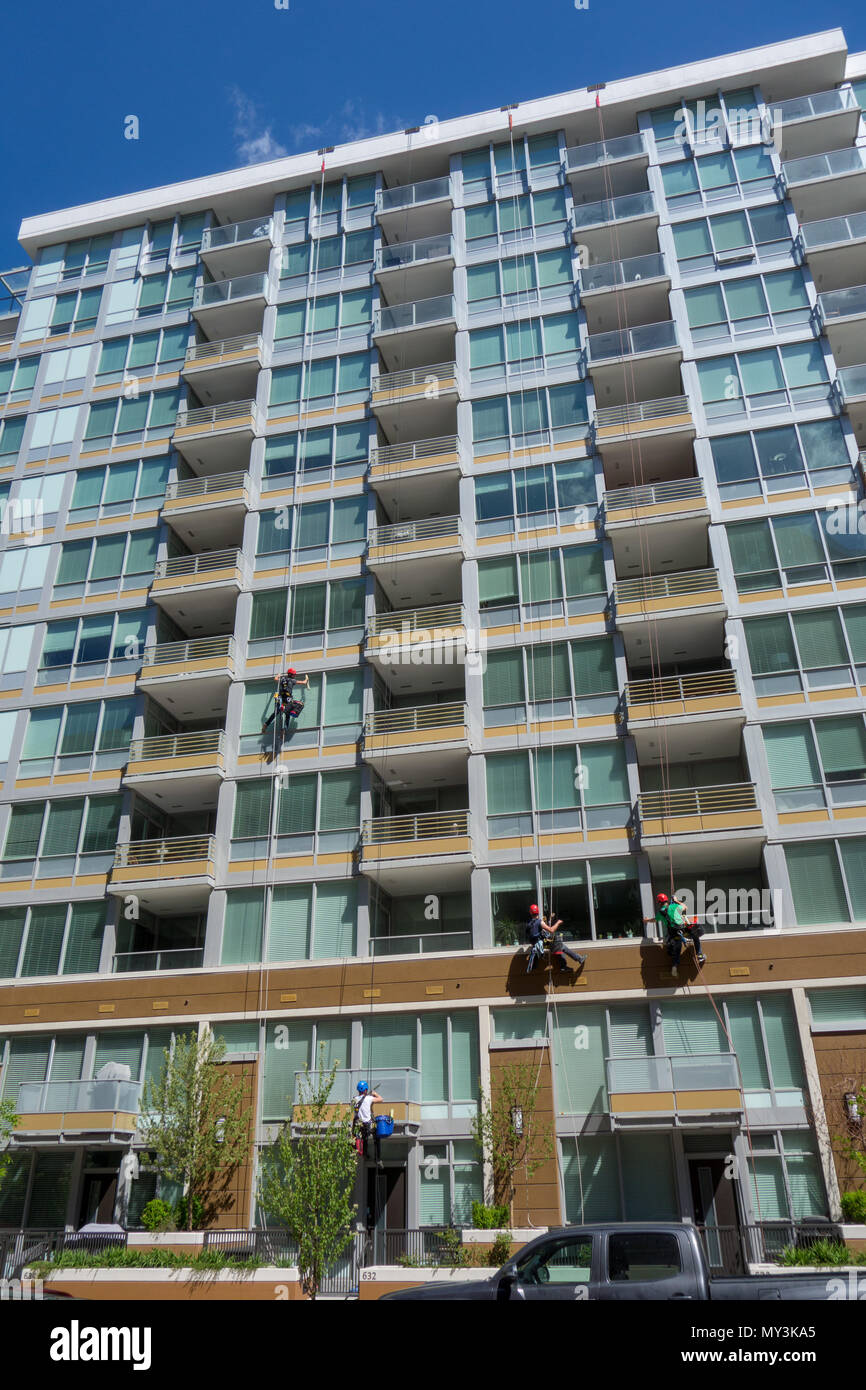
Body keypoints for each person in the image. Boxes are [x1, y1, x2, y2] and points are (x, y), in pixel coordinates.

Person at [656, 892, 706, 976]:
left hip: (674, 934)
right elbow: (685, 907)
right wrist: (676, 901)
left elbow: (654, 920)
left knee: (677, 949)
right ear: (667, 900)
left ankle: (674, 966)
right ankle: (699, 955)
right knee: (695, 936)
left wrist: (646, 920)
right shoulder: (674, 906)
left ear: (659, 903)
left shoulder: (660, 913)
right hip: (683, 931)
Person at [262, 667, 310, 737]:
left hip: (280, 697)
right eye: (294, 675)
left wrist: (278, 675)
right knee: (288, 714)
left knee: (276, 712)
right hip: (287, 699)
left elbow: (275, 679)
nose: (295, 676)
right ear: (292, 675)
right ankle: (284, 730)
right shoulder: (293, 680)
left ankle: (266, 724)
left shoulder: (282, 679)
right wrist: (306, 679)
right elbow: (303, 682)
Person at [353, 1080, 383, 1167]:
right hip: (368, 1124)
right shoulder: (369, 1098)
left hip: (359, 1125)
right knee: (377, 1138)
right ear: (366, 1090)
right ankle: (378, 1159)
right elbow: (381, 1099)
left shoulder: (354, 1099)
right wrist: (374, 1093)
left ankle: (365, 1154)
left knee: (364, 1139)